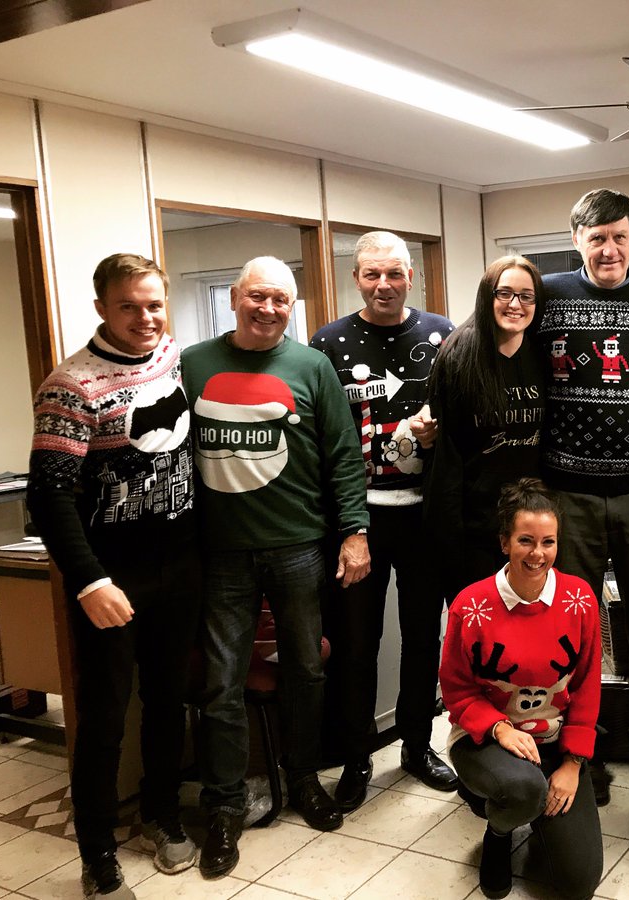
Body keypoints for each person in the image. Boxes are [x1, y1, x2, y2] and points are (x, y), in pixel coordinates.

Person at [184, 256, 370, 877]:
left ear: (294, 307)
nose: (268, 308)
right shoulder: (193, 365)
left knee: (306, 673)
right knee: (220, 684)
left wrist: (354, 534)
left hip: (298, 546)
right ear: (235, 297)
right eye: (257, 296)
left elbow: (344, 456)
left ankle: (303, 781)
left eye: (280, 300)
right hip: (221, 554)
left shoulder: (312, 366)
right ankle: (226, 807)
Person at [27, 254, 198, 899]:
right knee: (101, 719)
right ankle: (97, 852)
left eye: (154, 304)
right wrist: (90, 581)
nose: (145, 318)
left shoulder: (173, 358)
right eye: (129, 306)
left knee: (165, 702)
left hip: (180, 567)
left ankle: (163, 813)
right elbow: (49, 498)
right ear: (102, 307)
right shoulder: (71, 385)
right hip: (111, 577)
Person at [310, 231, 459, 809]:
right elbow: (321, 439)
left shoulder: (444, 336)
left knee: (424, 638)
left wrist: (441, 432)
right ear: (356, 280)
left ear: (411, 277)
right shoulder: (328, 343)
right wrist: (348, 529)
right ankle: (355, 758)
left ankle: (418, 747)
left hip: (428, 519)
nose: (384, 285)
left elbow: (467, 418)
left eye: (394, 273)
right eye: (372, 275)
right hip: (357, 521)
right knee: (355, 644)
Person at [535, 188, 629, 767]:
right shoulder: (547, 297)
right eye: (596, 239)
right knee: (577, 624)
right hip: (571, 494)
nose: (609, 249)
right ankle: (577, 748)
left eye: (619, 237)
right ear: (576, 242)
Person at [439, 478, 602, 900]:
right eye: (526, 540)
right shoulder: (469, 605)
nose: (538, 553)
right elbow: (456, 690)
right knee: (524, 790)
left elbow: (585, 687)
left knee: (577, 884)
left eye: (548, 542)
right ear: (504, 542)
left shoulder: (580, 599)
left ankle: (531, 796)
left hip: (553, 739)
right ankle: (499, 830)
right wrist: (498, 729)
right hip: (489, 737)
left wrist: (572, 764)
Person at [424, 255, 547, 599]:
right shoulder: (459, 356)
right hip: (472, 532)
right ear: (487, 296)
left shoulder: (541, 356)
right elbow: (445, 456)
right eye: (504, 293)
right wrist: (449, 537)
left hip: (530, 529)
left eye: (526, 295)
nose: (515, 304)